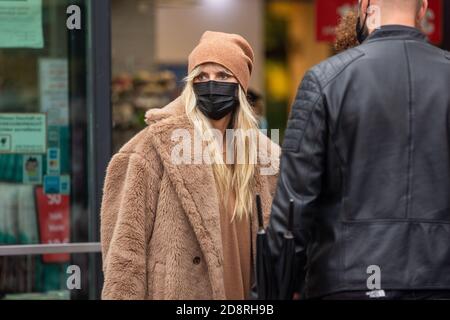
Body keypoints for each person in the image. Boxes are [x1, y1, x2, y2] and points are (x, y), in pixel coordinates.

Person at [267, 0, 450, 300]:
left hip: (350, 279)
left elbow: (293, 207)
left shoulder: (325, 81)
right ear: (423, 9)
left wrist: (273, 291)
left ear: (365, 6)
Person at [101, 31, 280, 300]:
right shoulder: (151, 149)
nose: (211, 84)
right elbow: (126, 252)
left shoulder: (266, 157)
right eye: (201, 76)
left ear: (241, 86)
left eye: (223, 76)